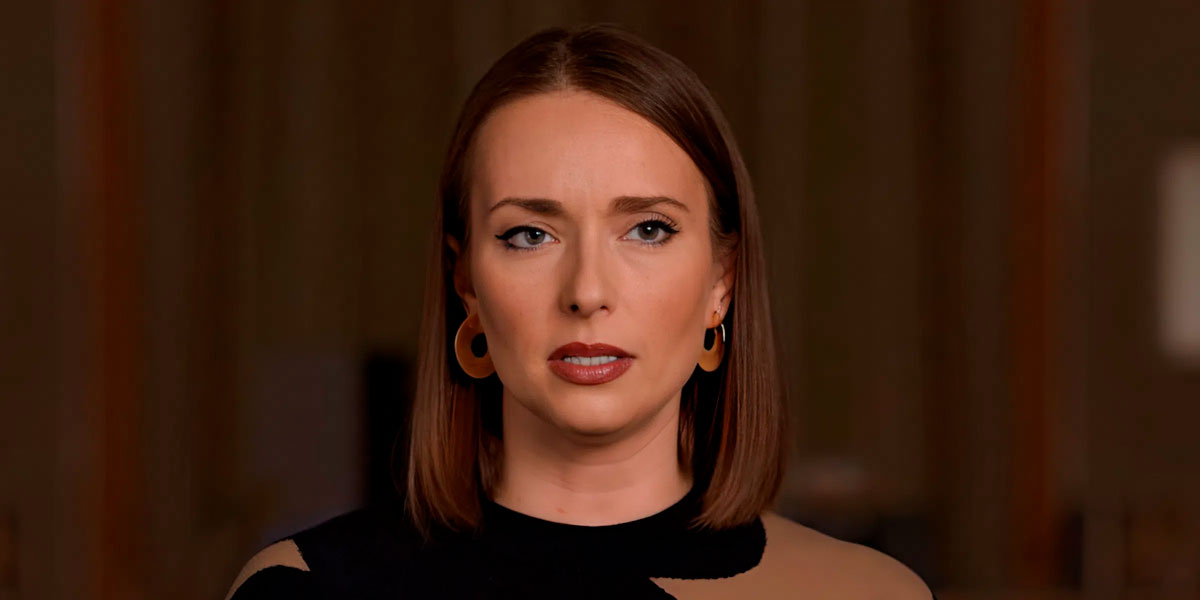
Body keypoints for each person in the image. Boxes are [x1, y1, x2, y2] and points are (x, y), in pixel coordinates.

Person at [225, 23, 934, 599]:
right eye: (529, 235)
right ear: (466, 285)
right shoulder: (305, 590)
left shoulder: (872, 595)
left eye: (647, 229)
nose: (587, 291)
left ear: (723, 281)